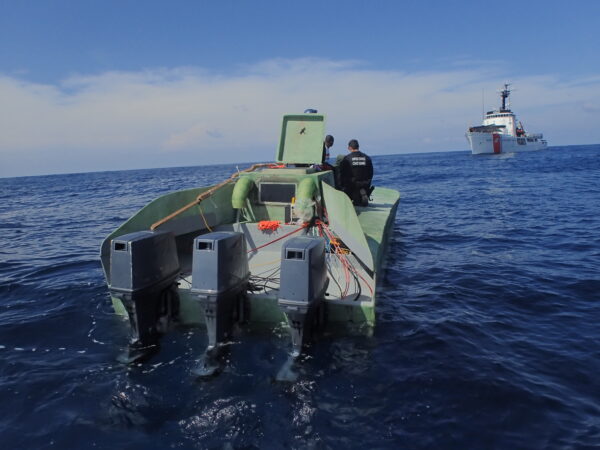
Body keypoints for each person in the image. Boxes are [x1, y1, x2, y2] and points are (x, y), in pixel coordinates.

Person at [338, 139, 374, 206]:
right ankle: (363, 193)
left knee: (349, 189)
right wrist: (366, 183)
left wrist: (341, 187)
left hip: (351, 186)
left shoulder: (346, 159)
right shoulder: (367, 158)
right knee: (361, 188)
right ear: (358, 147)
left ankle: (354, 197)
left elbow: (341, 174)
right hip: (364, 185)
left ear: (349, 148)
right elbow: (371, 174)